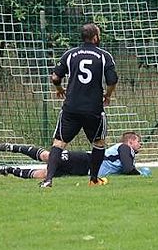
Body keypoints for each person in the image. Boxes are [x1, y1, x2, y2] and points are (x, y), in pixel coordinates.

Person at [41, 22, 118, 188]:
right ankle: (94, 179)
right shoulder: (104, 56)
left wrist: (60, 89)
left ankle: (48, 180)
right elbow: (112, 80)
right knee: (98, 143)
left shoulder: (70, 54)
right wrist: (108, 95)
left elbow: (55, 77)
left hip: (71, 108)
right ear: (95, 37)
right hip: (93, 109)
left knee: (59, 143)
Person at [0, 132, 150, 181]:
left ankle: (9, 170)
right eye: (138, 141)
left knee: (45, 174)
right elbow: (128, 169)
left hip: (84, 171)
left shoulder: (127, 153)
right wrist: (140, 174)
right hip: (85, 161)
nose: (140, 145)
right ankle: (13, 147)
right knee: (49, 156)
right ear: (130, 141)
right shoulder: (125, 148)